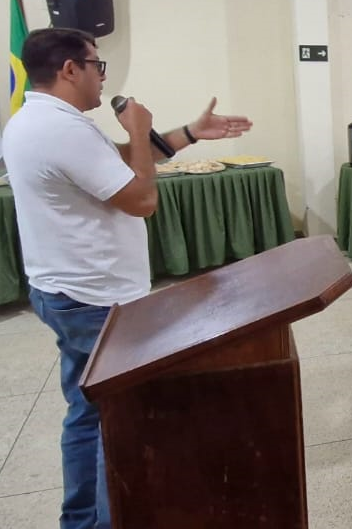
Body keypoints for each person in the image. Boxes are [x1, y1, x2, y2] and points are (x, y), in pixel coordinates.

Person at [2, 28, 253, 529]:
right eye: (98, 66)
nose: (103, 77)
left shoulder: (36, 119)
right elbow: (142, 199)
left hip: (65, 290)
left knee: (87, 410)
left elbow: (117, 165)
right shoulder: (61, 129)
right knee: (119, 417)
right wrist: (140, 128)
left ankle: (81, 519)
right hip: (94, 299)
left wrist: (188, 133)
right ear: (70, 69)